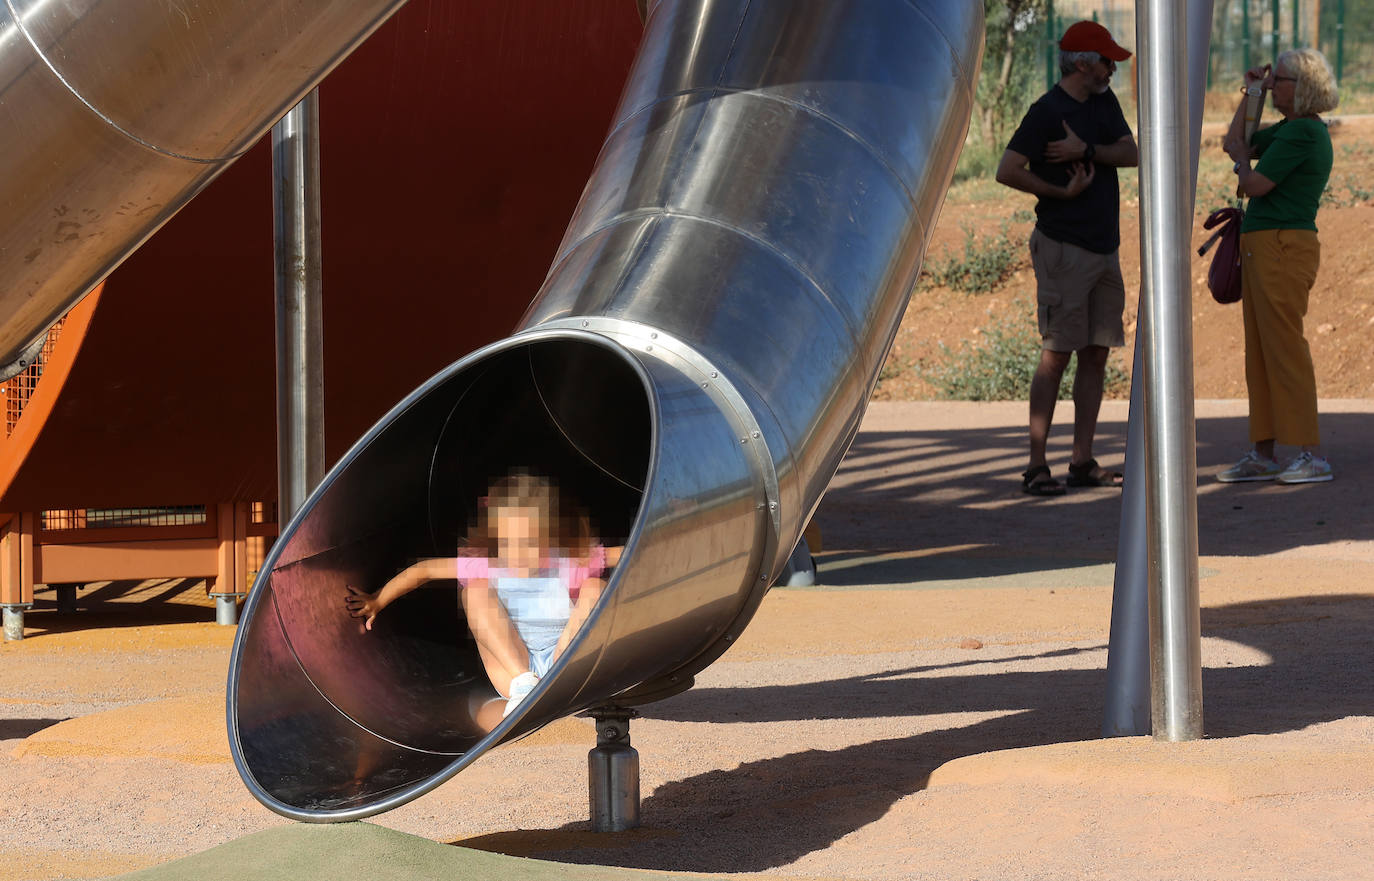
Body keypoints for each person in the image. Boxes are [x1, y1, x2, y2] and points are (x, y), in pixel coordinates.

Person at [345, 469, 622, 725]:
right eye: (507, 543)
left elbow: (626, 552)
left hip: (567, 659)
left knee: (595, 587)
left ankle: (565, 671)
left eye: (529, 543)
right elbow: (424, 570)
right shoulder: (490, 567)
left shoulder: (566, 563)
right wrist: (378, 600)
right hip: (513, 670)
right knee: (475, 590)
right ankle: (525, 685)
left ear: (550, 539)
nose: (516, 553)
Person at [995, 21, 1138, 496]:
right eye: (1105, 61)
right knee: (1056, 355)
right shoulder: (1046, 112)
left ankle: (1082, 460)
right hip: (1063, 249)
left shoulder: (1103, 104)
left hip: (1105, 249)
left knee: (1096, 352)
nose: (1112, 69)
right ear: (1082, 63)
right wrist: (1058, 189)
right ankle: (1037, 465)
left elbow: (1131, 153)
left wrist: (1087, 151)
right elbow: (1008, 169)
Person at [1217, 49, 1339, 484]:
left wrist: (1242, 165)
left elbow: (1252, 183)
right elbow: (1235, 140)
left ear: (1301, 87)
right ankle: (1264, 451)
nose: (1273, 85)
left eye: (1278, 80)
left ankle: (1311, 453)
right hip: (1265, 245)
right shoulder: (1291, 130)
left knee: (1285, 348)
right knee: (1262, 352)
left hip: (1284, 246)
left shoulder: (1303, 134)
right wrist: (1251, 92)